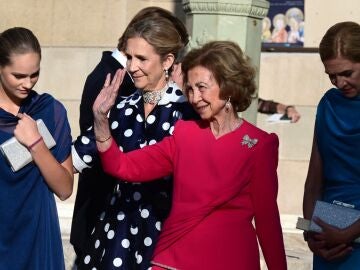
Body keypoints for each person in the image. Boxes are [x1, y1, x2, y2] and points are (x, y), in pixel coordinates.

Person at [92, 40, 287, 269]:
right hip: (173, 260)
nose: (194, 98)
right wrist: (100, 120)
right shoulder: (185, 133)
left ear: (229, 85)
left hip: (232, 261)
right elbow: (123, 167)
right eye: (190, 89)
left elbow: (267, 221)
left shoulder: (259, 145)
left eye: (202, 87)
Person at [72, 9, 198, 270]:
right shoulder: (119, 108)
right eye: (129, 57)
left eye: (141, 58)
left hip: (169, 237)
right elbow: (72, 160)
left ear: (167, 61)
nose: (131, 66)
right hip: (117, 234)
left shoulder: (187, 113)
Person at [0, 27, 73, 269]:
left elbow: (64, 188)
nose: (27, 83)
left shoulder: (50, 111)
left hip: (39, 236)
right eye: (18, 75)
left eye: (34, 74)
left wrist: (36, 144)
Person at [303, 21, 360, 269]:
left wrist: (350, 232)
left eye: (347, 73)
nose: (338, 83)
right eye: (331, 76)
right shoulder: (328, 103)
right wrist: (310, 232)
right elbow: (314, 177)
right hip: (328, 231)